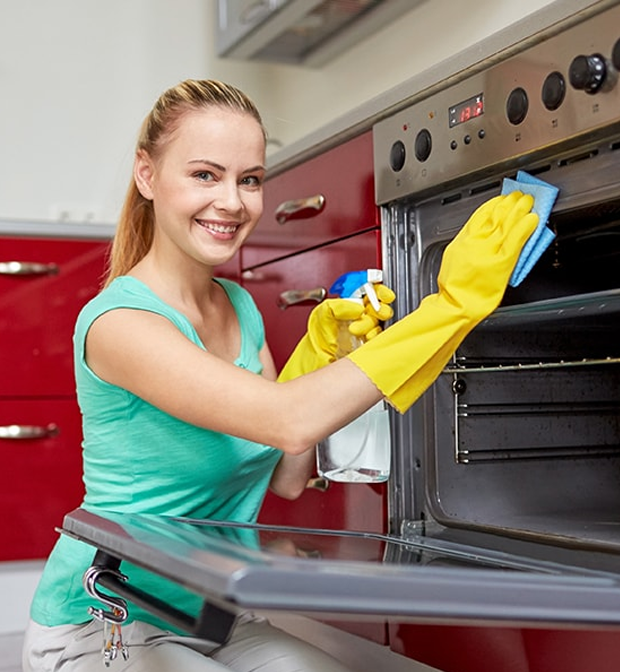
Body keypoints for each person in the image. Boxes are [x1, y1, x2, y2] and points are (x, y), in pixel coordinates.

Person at [22, 79, 538, 672]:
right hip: (108, 617)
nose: (233, 202)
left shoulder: (238, 307)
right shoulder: (121, 323)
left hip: (218, 616)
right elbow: (289, 422)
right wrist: (450, 308)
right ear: (147, 175)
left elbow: (289, 474)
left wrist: (325, 350)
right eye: (205, 175)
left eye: (249, 179)